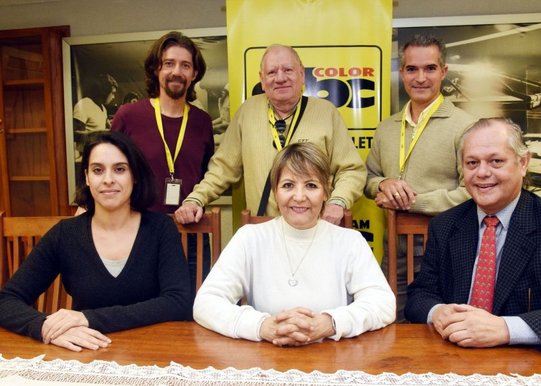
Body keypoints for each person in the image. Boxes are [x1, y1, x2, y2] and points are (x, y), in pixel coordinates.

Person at [405, 117, 541, 353]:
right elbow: (420, 294)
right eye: (472, 163)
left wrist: (507, 328)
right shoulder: (444, 225)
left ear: (523, 162)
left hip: (529, 365)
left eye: (496, 161)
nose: (482, 173)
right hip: (453, 357)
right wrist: (437, 312)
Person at [0, 132, 192, 352]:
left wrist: (88, 318)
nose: (108, 179)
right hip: (87, 354)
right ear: (87, 177)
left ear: (135, 176)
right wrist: (44, 327)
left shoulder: (160, 229)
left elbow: (179, 302)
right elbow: (7, 300)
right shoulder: (65, 234)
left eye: (119, 169)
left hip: (153, 352)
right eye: (98, 170)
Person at [193, 143, 395, 345]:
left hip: (331, 361)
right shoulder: (249, 238)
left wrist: (330, 323)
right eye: (288, 185)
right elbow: (206, 303)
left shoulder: (350, 242)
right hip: (265, 359)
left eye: (311, 186)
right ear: (275, 191)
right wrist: (262, 326)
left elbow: (383, 304)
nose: (299, 197)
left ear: (326, 191)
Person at [174, 44, 366, 225]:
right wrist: (195, 199)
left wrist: (338, 202)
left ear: (301, 74)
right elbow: (222, 169)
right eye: (272, 72)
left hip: (315, 228)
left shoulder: (326, 113)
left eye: (288, 70)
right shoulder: (247, 112)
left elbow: (352, 170)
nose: (280, 78)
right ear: (262, 80)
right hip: (263, 232)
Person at [364, 34, 475, 320]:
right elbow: (368, 178)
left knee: (444, 326)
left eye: (430, 68)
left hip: (444, 249)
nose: (421, 78)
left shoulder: (465, 127)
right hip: (394, 247)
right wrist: (384, 184)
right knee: (390, 323)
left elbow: (472, 191)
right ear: (401, 73)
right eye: (412, 69)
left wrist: (412, 202)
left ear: (444, 72)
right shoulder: (387, 128)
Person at [111, 31, 214, 286]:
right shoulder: (129, 115)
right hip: (138, 233)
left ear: (194, 74)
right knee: (141, 313)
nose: (177, 71)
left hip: (191, 235)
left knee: (192, 311)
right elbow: (106, 167)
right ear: (156, 69)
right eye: (169, 63)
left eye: (185, 65)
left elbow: (206, 176)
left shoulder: (202, 122)